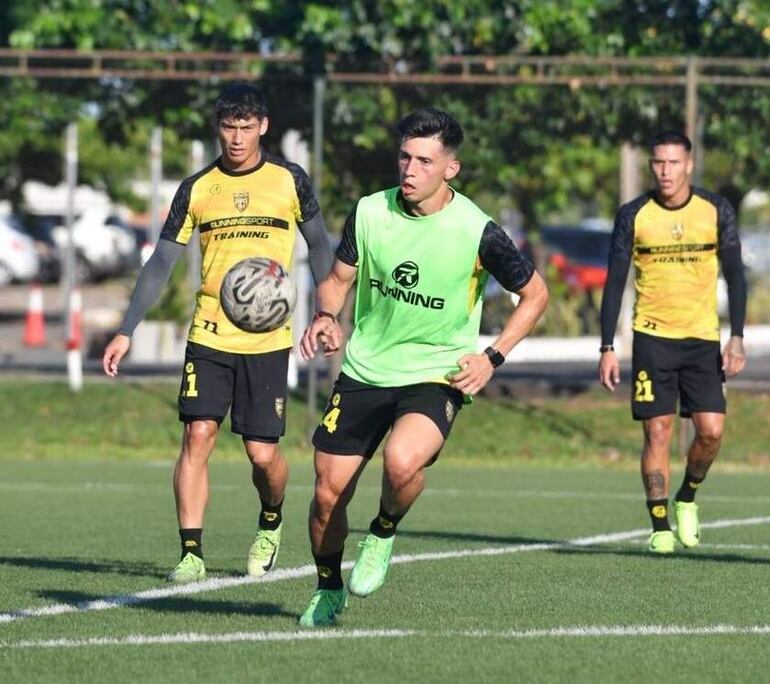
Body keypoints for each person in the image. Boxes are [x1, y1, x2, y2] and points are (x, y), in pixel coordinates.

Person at [296, 108, 548, 627]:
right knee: (325, 496)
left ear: (449, 169)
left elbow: (536, 295)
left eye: (424, 161)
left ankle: (384, 531)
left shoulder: (479, 231)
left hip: (436, 373)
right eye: (405, 157)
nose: (410, 170)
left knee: (402, 461)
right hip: (366, 370)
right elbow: (339, 279)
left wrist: (492, 356)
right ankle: (327, 588)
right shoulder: (369, 212)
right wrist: (325, 315)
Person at [102, 84, 333, 582]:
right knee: (198, 435)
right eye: (229, 126)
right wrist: (126, 330)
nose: (236, 137)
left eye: (246, 127)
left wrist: (327, 313)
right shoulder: (197, 187)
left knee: (262, 454)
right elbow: (161, 261)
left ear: (263, 127)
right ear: (218, 127)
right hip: (208, 335)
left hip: (267, 340)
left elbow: (319, 249)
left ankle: (271, 520)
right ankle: (191, 554)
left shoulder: (290, 181)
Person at [598, 131, 747, 554]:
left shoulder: (715, 210)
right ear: (651, 166)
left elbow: (736, 276)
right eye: (658, 163)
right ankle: (660, 524)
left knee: (711, 432)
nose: (665, 171)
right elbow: (614, 283)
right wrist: (607, 346)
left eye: (673, 163)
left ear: (689, 165)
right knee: (658, 431)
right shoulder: (633, 214)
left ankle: (687, 497)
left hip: (702, 339)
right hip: (652, 339)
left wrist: (736, 336)